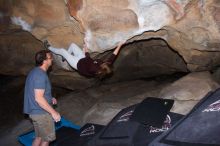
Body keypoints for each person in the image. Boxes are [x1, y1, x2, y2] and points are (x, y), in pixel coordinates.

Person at [23, 50, 61, 146]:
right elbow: (39, 98)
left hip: (34, 112)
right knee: (46, 140)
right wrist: (54, 112)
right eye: (50, 57)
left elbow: (36, 92)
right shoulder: (40, 75)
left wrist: (50, 98)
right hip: (41, 113)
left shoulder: (34, 72)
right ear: (44, 61)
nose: (52, 59)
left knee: (39, 137)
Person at [45, 40, 125, 79]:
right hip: (83, 59)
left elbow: (88, 58)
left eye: (105, 63)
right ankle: (64, 57)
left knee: (62, 51)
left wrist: (85, 48)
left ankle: (49, 47)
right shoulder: (106, 65)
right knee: (72, 45)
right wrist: (120, 44)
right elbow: (114, 55)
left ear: (103, 67)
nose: (106, 62)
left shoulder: (94, 68)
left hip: (77, 64)